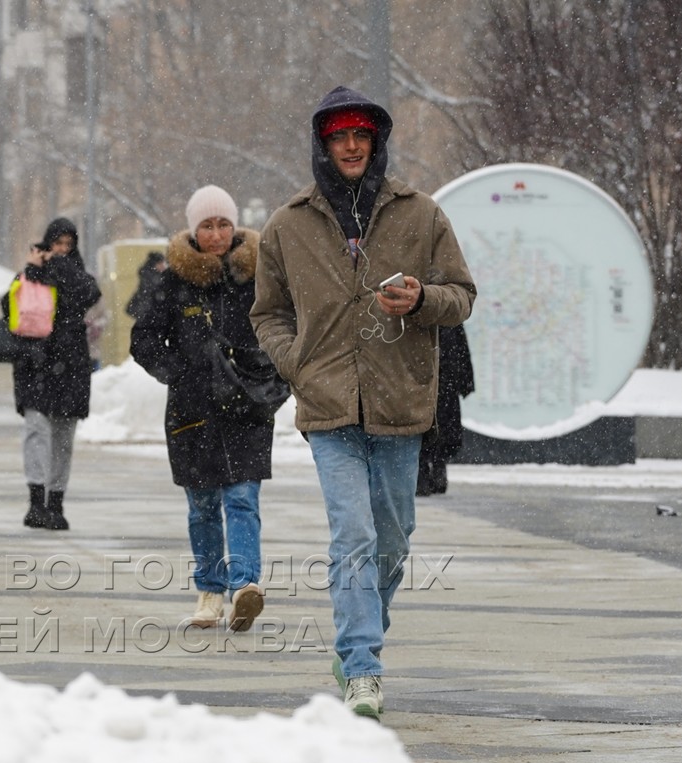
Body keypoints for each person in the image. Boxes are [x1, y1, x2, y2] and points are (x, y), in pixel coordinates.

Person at [251, 86, 476, 720]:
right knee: (352, 534)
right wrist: (296, 362)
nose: (351, 146)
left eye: (361, 136)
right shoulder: (288, 225)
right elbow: (267, 313)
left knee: (393, 541)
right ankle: (362, 667)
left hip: (401, 400)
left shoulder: (420, 214)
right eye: (339, 137)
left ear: (376, 143)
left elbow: (462, 295)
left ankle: (359, 638)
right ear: (322, 146)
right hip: (328, 407)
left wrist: (423, 299)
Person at [130, 185, 273, 633]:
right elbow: (143, 339)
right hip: (192, 412)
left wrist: (268, 380)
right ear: (194, 231)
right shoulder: (173, 281)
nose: (216, 234)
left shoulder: (259, 277)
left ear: (235, 226)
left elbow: (282, 330)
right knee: (204, 505)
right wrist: (180, 372)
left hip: (247, 408)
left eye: (224, 224)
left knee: (243, 499)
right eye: (207, 226)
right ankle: (210, 590)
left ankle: (245, 586)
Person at [6, 217, 101, 530]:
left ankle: (55, 502)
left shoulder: (78, 276)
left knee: (63, 436)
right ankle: (36, 501)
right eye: (57, 244)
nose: (61, 250)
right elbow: (9, 307)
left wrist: (59, 267)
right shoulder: (31, 273)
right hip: (35, 363)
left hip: (70, 364)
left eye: (68, 245)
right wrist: (31, 270)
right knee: (36, 429)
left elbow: (89, 294)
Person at [418, 325, 475, 496]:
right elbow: (461, 350)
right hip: (436, 383)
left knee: (435, 431)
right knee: (432, 431)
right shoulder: (450, 321)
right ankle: (429, 474)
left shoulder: (449, 320)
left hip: (438, 384)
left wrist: (465, 381)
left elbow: (461, 349)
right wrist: (465, 381)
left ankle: (432, 472)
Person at [124, 250, 168, 319]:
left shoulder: (151, 275)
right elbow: (150, 292)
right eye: (161, 263)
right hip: (148, 310)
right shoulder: (151, 277)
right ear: (154, 264)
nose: (163, 266)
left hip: (147, 310)